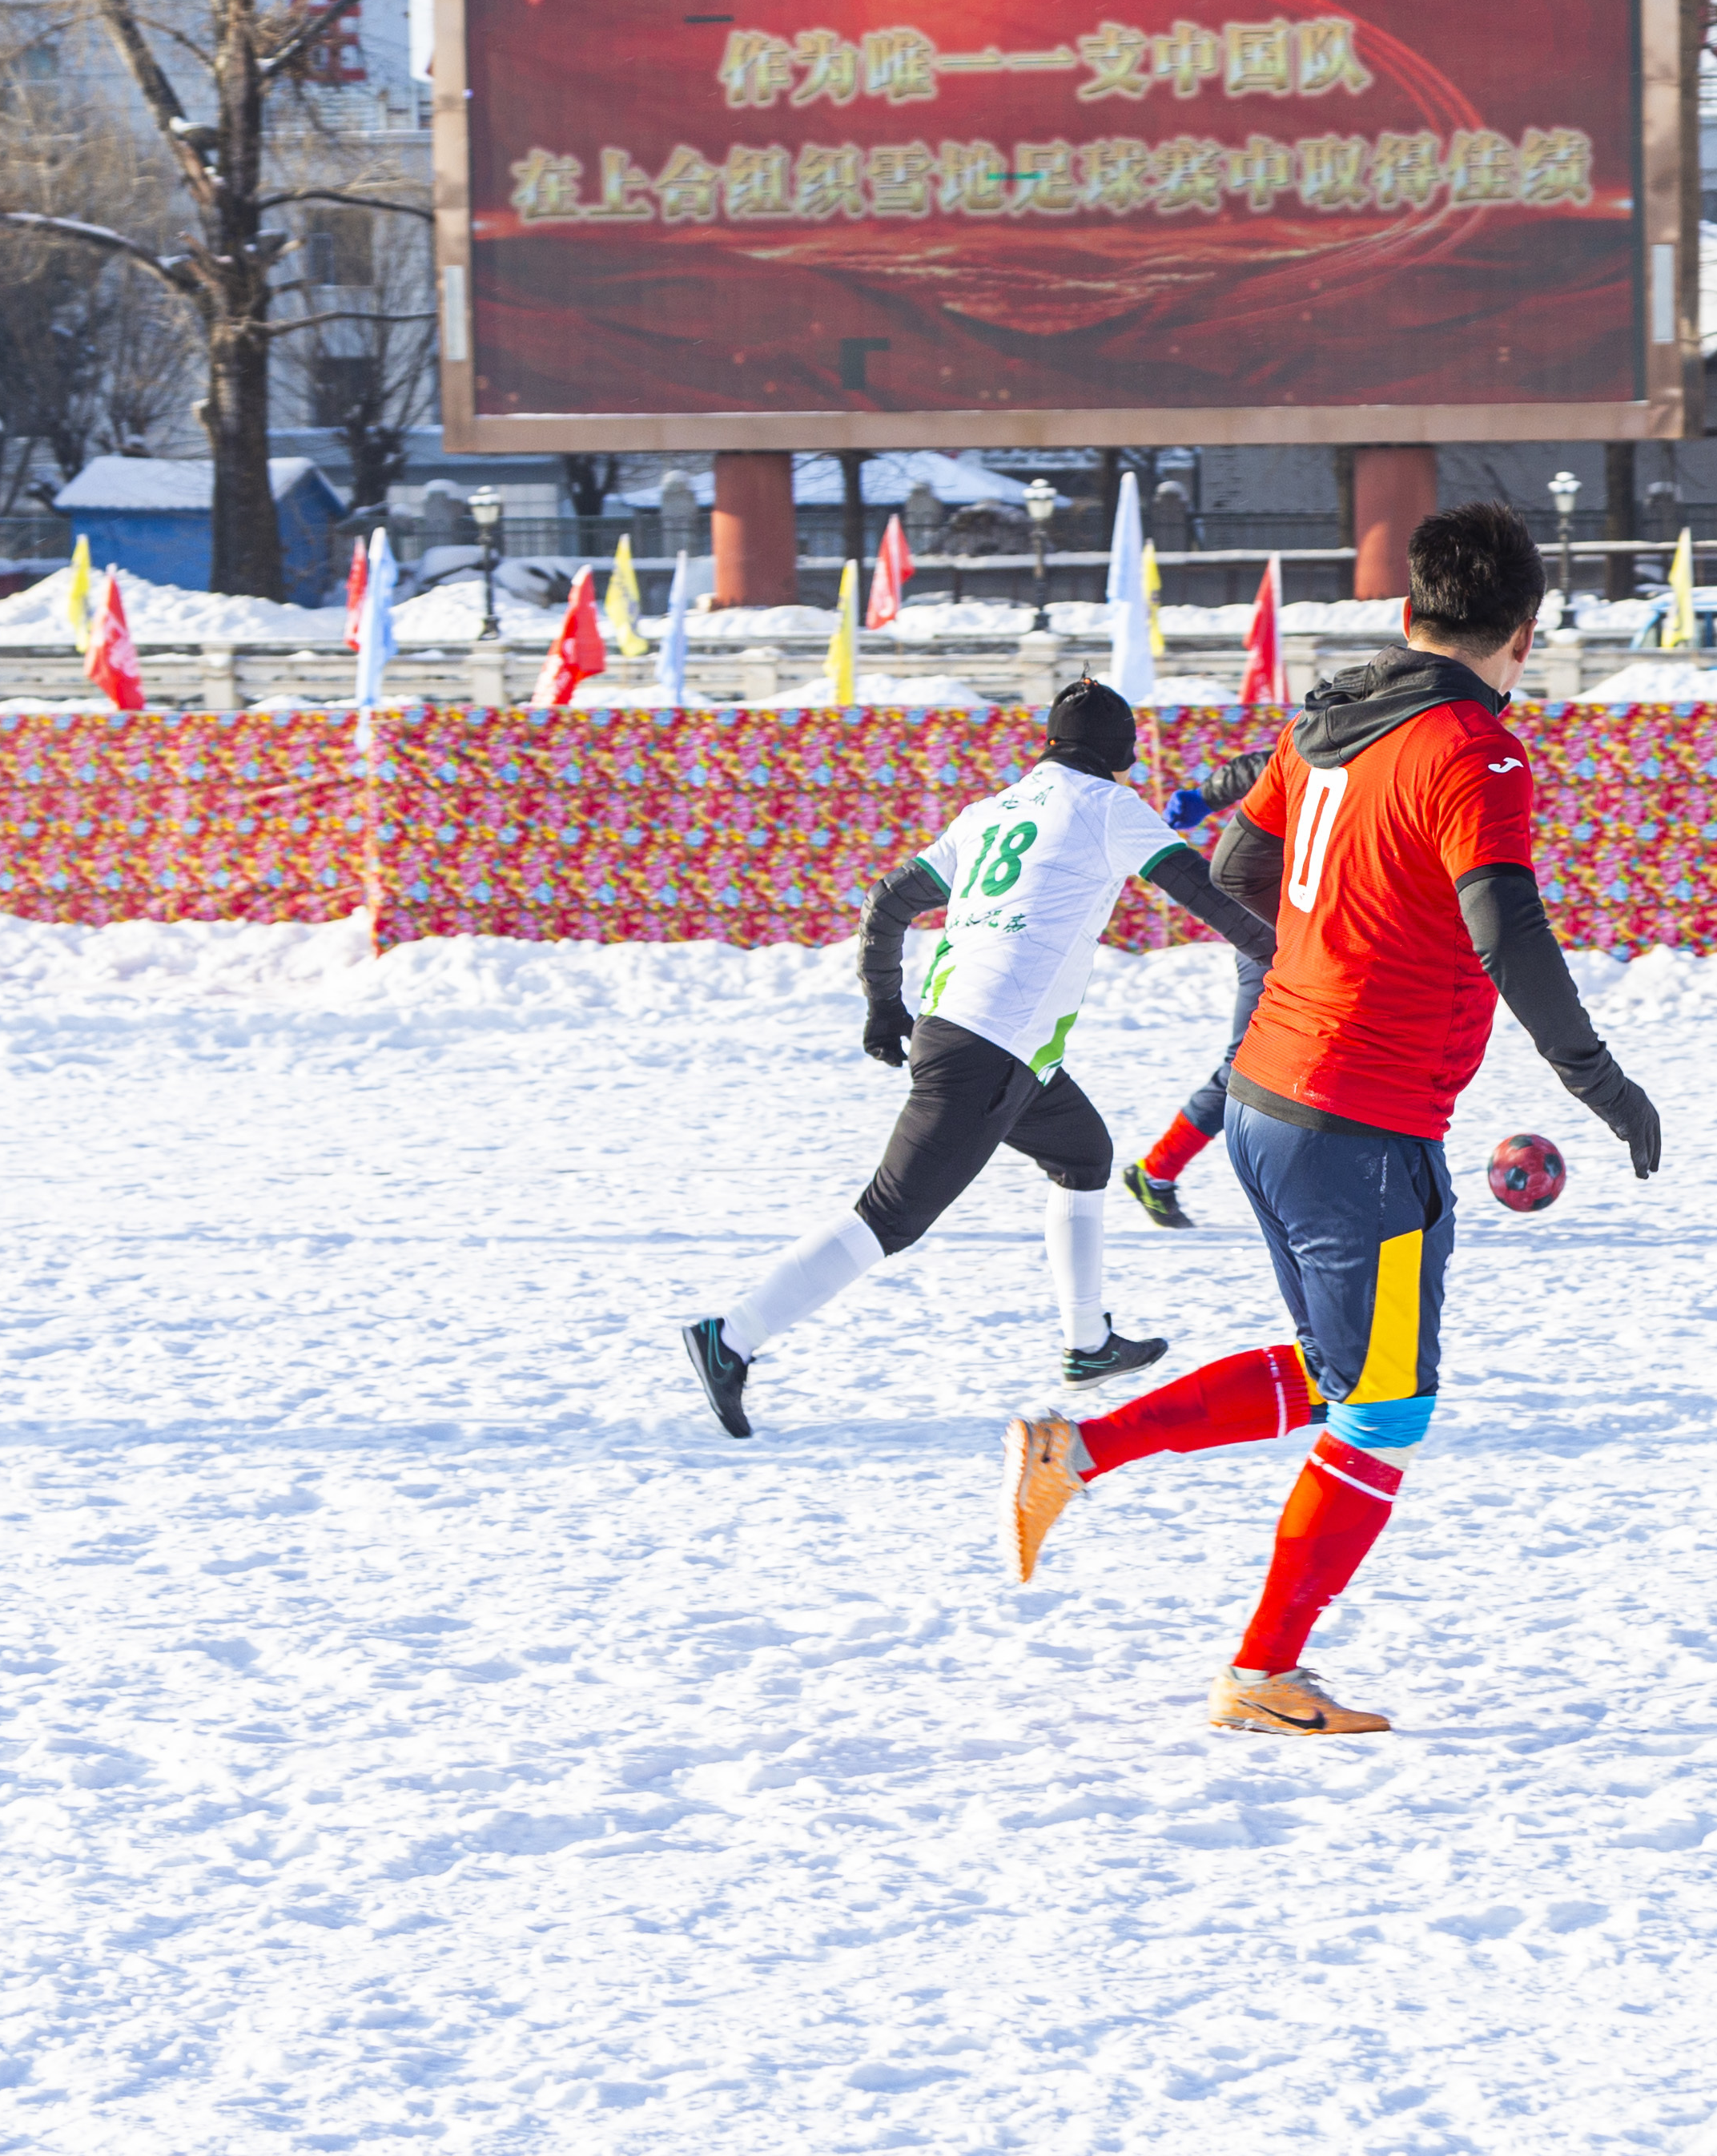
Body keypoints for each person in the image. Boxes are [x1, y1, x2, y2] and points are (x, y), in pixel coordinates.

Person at [1004, 504, 1664, 1738]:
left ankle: (1077, 1454)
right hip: (1363, 1121)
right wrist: (1597, 1078)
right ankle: (1261, 1670)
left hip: (1267, 1100)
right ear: (1525, 635)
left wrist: (1331, 951)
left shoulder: (1329, 729)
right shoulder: (1476, 750)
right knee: (1386, 1408)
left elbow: (1246, 868)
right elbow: (1508, 930)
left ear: (1408, 615)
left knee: (1335, 1376)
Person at [685, 681, 1274, 1436]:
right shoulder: (1109, 807)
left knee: (1085, 1153)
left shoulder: (986, 813)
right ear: (1121, 752)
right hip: (991, 1050)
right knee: (888, 1218)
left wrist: (885, 1005)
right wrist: (1292, 957)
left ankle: (1088, 1343)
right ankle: (731, 1337)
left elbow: (887, 901)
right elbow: (1215, 902)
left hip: (980, 1036)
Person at [1118, 748, 1285, 1229]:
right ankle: (1157, 1170)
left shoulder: (1369, 756)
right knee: (1247, 1065)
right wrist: (1200, 798)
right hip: (1271, 933)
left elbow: (1245, 772)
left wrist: (1201, 799)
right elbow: (1252, 771)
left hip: (1318, 930)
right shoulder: (1325, 753)